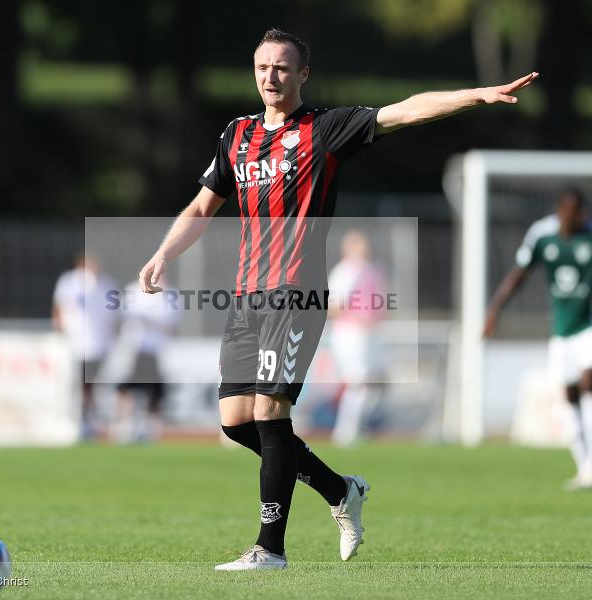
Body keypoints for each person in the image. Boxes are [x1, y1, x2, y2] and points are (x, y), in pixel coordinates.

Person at [138, 27, 537, 570]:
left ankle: (269, 549)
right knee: (236, 421)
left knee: (269, 410)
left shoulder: (324, 130)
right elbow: (202, 206)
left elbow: (406, 111)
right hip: (246, 296)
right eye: (262, 68)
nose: (270, 77)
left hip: (296, 292)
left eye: (282, 68)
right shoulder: (237, 135)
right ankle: (338, 490)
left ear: (303, 74)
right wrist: (164, 254)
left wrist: (475, 95)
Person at [483, 188, 592, 490]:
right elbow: (518, 274)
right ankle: (586, 464)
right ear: (560, 211)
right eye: (572, 213)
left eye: (581, 213)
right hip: (562, 328)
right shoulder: (541, 235)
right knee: (569, 394)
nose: (578, 218)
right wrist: (494, 310)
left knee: (588, 384)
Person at [327, 229, 387, 446]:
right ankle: (346, 430)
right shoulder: (347, 271)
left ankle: (358, 425)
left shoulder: (372, 269)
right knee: (358, 380)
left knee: (376, 380)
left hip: (369, 332)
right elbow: (334, 305)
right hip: (351, 333)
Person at [52, 252, 117, 438]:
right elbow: (59, 307)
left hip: (97, 345)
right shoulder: (70, 282)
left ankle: (88, 421)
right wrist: (59, 330)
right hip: (73, 344)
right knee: (75, 385)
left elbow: (112, 316)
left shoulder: (105, 284)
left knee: (89, 385)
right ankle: (78, 420)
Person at [112, 277, 179, 443]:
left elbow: (169, 322)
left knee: (154, 391)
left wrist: (147, 320)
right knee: (127, 388)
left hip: (155, 350)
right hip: (133, 348)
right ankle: (124, 425)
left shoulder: (170, 294)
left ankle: (151, 428)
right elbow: (124, 314)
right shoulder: (133, 290)